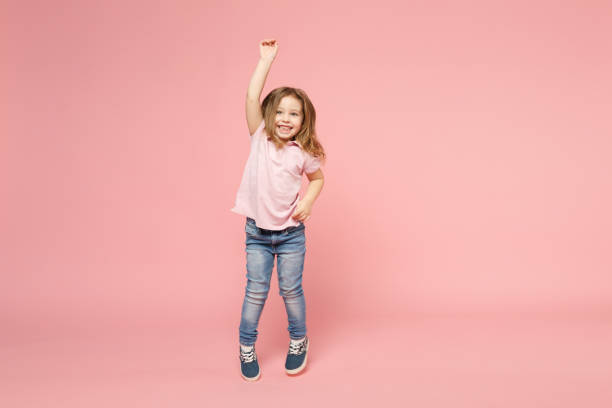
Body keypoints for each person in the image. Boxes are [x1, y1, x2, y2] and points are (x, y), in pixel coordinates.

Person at [230, 39, 326, 381]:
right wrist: (265, 60)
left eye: (294, 113)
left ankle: (299, 340)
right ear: (270, 115)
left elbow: (318, 179)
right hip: (257, 233)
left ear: (303, 120)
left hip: (290, 236)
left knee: (290, 289)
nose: (286, 119)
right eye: (281, 111)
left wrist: (308, 202)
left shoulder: (302, 152)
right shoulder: (259, 137)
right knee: (256, 290)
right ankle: (246, 346)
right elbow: (250, 98)